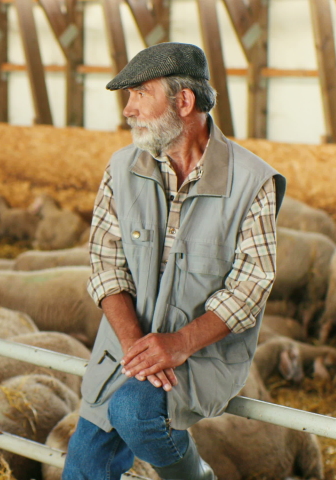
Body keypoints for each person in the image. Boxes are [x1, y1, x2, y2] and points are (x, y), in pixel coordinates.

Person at [62, 42, 286, 480]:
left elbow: (251, 285)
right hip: (125, 347)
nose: (128, 109)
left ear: (184, 102)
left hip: (200, 354)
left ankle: (195, 476)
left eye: (140, 94)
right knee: (82, 469)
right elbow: (105, 264)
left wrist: (179, 344)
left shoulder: (253, 182)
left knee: (133, 410)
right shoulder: (122, 168)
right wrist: (134, 349)